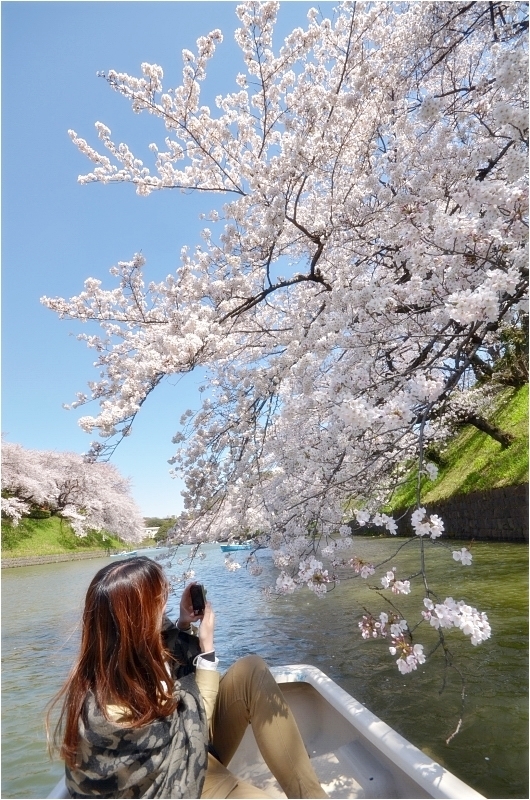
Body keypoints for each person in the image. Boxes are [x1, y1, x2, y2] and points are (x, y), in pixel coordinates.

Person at [48, 557, 328, 799]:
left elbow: (174, 680)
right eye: (159, 602)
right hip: (173, 781)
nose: (164, 607)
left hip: (179, 747)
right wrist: (207, 649)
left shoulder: (117, 659)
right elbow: (195, 721)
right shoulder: (116, 706)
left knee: (250, 669)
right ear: (137, 621)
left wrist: (183, 623)